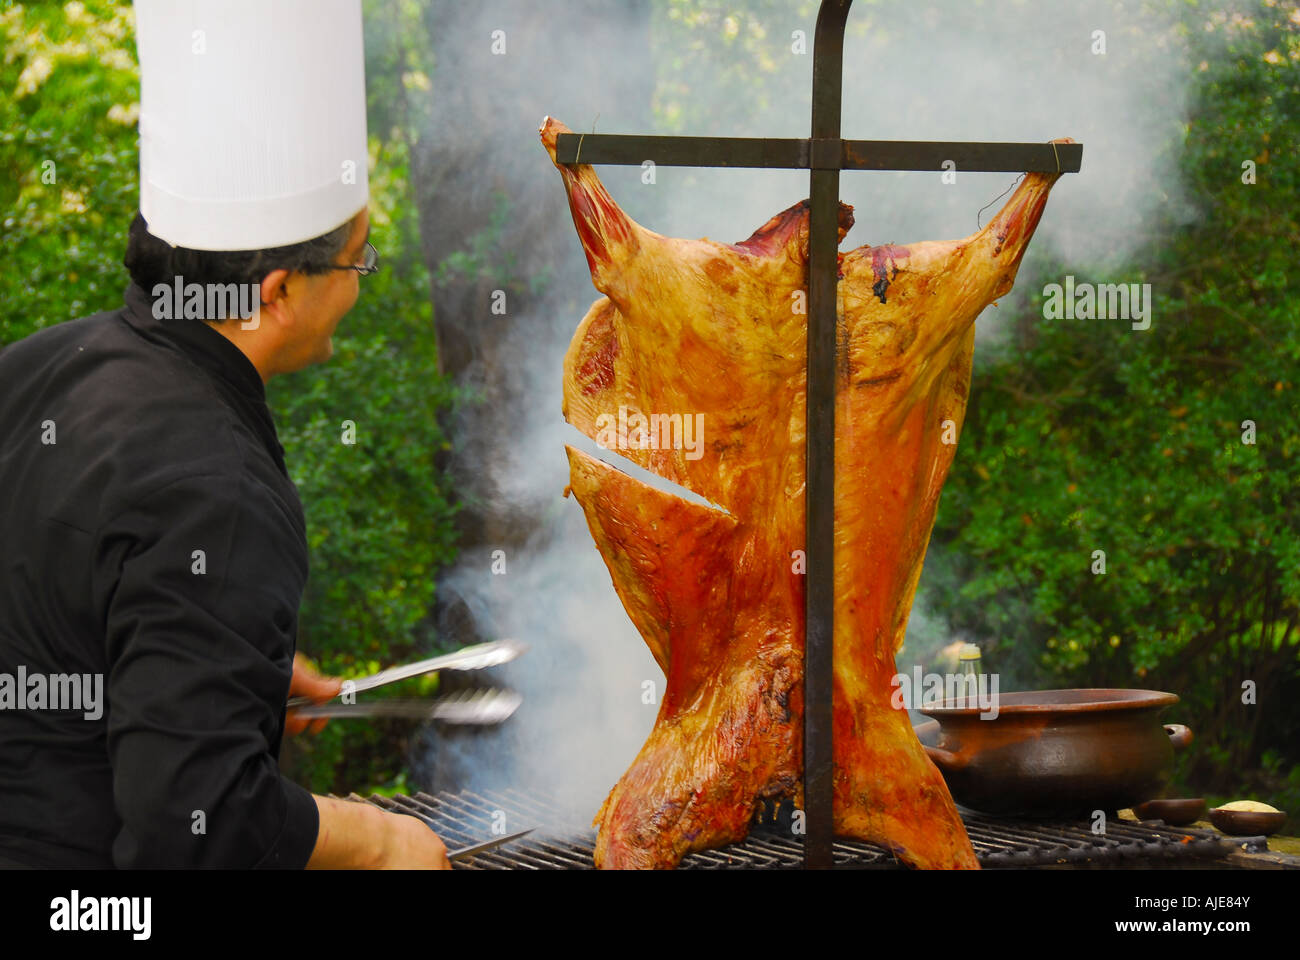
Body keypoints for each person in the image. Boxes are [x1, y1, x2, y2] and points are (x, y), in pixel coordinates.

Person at [0, 0, 449, 869]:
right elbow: (194, 818)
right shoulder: (222, 489)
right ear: (279, 291)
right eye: (358, 262)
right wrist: (382, 841)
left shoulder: (37, 367)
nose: (362, 287)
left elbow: (51, 609)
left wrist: (204, 665)